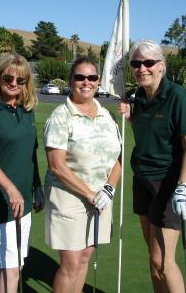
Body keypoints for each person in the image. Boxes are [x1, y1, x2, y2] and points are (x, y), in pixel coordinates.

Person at [118, 40, 186, 293]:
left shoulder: (176, 96)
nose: (142, 68)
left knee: (164, 260)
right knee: (153, 260)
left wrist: (183, 187)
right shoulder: (137, 98)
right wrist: (131, 119)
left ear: (161, 66)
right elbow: (150, 134)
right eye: (136, 63)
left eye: (148, 63)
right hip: (142, 179)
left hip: (169, 183)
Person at [44, 57, 122, 293]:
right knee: (71, 263)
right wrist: (90, 194)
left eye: (92, 77)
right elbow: (56, 166)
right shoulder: (60, 116)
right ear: (71, 81)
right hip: (69, 197)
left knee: (86, 256)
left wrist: (109, 188)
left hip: (101, 196)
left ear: (98, 82)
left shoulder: (107, 115)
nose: (86, 82)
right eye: (80, 77)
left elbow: (119, 156)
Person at [0, 54, 44, 293]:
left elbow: (29, 155)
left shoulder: (27, 111)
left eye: (20, 79)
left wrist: (37, 187)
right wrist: (11, 189)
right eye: (8, 77)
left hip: (22, 200)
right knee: (11, 268)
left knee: (12, 265)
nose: (14, 83)